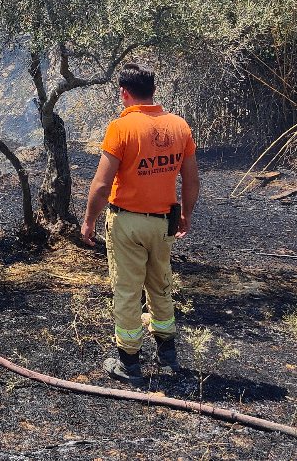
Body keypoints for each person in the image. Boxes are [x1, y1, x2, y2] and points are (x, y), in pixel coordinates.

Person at [80, 64, 200, 386]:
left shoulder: (121, 128)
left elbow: (102, 184)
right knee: (160, 284)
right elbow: (191, 180)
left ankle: (129, 361)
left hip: (127, 223)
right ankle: (167, 352)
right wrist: (187, 213)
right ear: (153, 91)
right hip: (164, 224)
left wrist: (89, 220)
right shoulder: (179, 127)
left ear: (124, 93)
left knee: (127, 289)